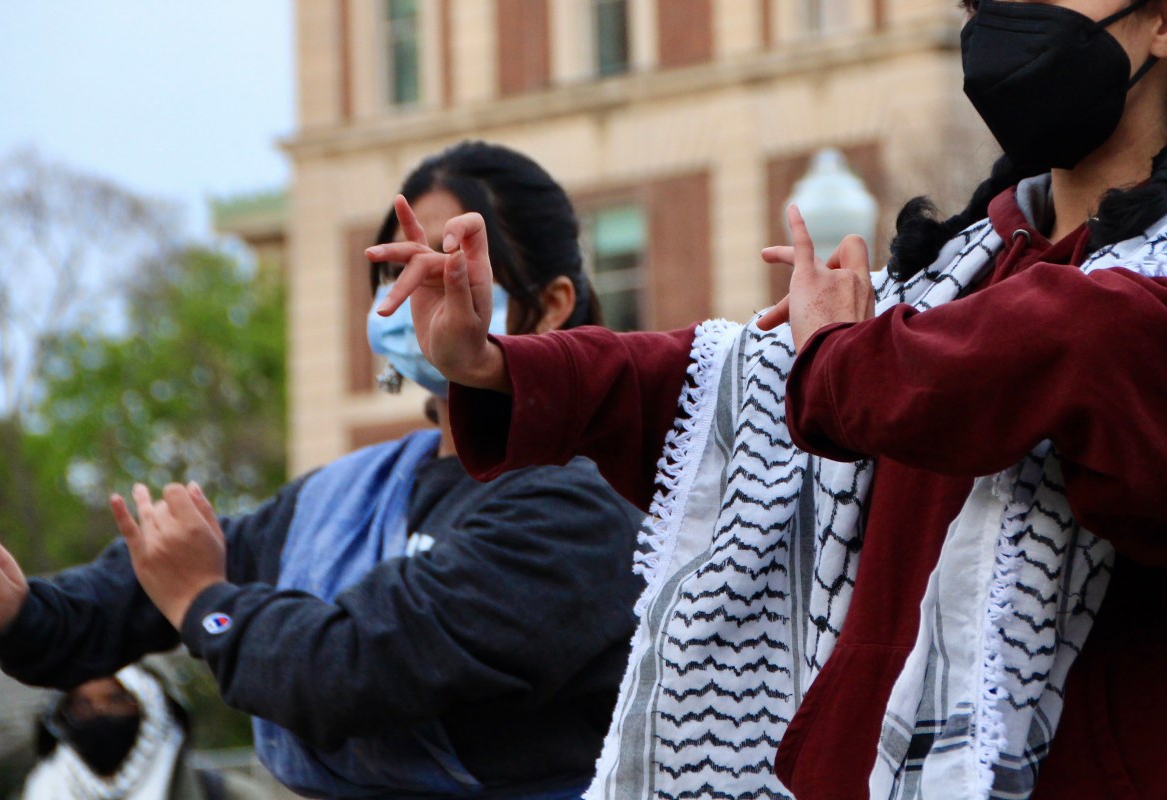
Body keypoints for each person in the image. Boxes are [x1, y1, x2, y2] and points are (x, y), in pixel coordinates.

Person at [366, 2, 1167, 797]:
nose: (1005, 15)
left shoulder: (1099, 307)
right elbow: (704, 383)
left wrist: (835, 357)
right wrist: (490, 362)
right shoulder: (937, 291)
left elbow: (1065, 348)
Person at [0, 141, 645, 799]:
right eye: (395, 269)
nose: (415, 293)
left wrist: (206, 605)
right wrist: (19, 610)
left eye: (448, 264)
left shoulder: (582, 499)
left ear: (553, 304)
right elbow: (177, 570)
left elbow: (359, 669)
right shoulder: (351, 492)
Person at [23, 663, 261, 800]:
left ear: (149, 708)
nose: (100, 713)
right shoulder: (43, 791)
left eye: (116, 699)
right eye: (83, 704)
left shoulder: (225, 794)